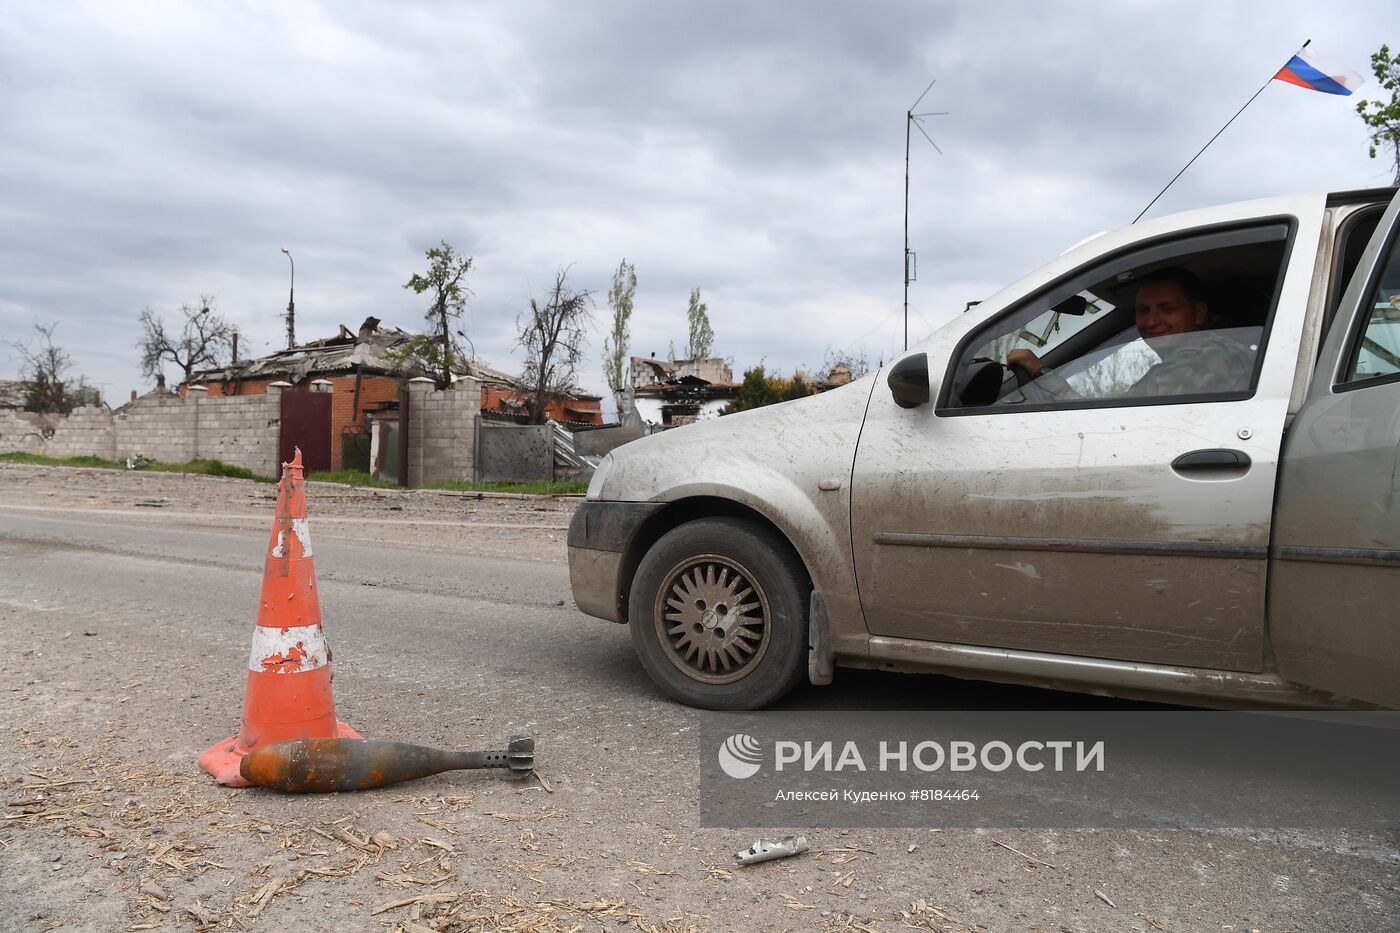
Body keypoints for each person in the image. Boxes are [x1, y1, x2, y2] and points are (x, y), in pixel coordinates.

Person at [1004, 267, 1254, 400]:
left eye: (1167, 308)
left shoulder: (1200, 360)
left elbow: (1102, 424)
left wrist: (1039, 371)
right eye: (1143, 310)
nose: (1152, 321)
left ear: (1198, 313)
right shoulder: (1222, 351)